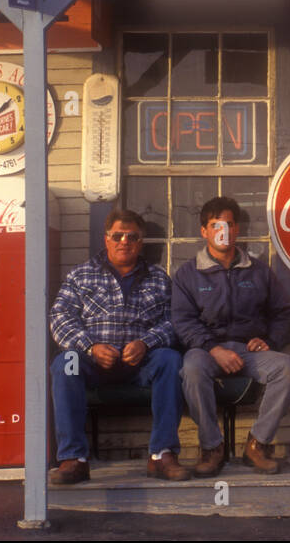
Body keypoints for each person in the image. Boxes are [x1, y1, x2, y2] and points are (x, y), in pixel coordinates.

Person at [48, 207, 189, 484]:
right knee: (66, 364)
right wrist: (90, 347)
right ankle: (74, 458)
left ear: (140, 242)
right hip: (93, 363)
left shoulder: (159, 278)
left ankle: (162, 455)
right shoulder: (81, 276)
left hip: (141, 364)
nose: (124, 242)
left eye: (132, 237)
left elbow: (175, 321)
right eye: (118, 235)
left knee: (171, 360)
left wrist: (146, 343)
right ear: (106, 239)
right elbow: (59, 317)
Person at [172, 197, 290, 476]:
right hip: (206, 351)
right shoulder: (188, 273)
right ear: (204, 231)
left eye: (229, 224)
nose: (224, 231)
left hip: (248, 351)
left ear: (237, 229)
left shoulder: (257, 270)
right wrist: (212, 348)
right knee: (191, 368)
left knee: (288, 367)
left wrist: (270, 340)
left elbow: (285, 312)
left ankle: (258, 445)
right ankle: (211, 447)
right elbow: (182, 321)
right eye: (216, 225)